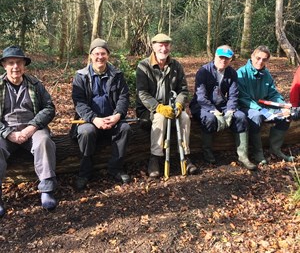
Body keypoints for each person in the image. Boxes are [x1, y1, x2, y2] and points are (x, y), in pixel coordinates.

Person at [0, 45, 57, 217]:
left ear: (24, 65)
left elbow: (49, 108)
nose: (15, 67)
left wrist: (32, 127)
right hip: (5, 131)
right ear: (4, 65)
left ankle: (47, 190)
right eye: (11, 63)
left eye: (19, 62)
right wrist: (8, 133)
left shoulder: (35, 85)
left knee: (44, 142)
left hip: (32, 128)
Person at [71, 38, 131, 190]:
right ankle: (85, 173)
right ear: (90, 56)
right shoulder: (81, 76)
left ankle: (115, 168)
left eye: (103, 53)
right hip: (89, 121)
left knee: (125, 129)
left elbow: (124, 98)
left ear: (108, 55)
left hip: (113, 119)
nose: (100, 57)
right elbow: (79, 103)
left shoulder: (117, 75)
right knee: (86, 132)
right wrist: (94, 119)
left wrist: (117, 115)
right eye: (96, 53)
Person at [136, 33, 197, 178]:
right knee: (160, 119)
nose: (163, 48)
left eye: (166, 45)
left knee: (185, 118)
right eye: (160, 45)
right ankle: (155, 158)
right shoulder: (143, 66)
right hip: (149, 110)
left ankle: (186, 156)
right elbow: (142, 93)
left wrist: (179, 104)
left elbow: (183, 90)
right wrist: (158, 107)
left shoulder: (176, 65)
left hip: (172, 107)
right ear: (153, 46)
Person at [189, 45, 256, 170]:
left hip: (222, 104)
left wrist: (230, 110)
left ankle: (243, 156)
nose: (223, 61)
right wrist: (215, 112)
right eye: (221, 57)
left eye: (227, 58)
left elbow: (233, 95)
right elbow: (201, 97)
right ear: (215, 56)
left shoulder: (232, 73)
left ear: (230, 60)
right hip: (201, 105)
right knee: (209, 119)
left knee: (240, 117)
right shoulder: (203, 71)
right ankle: (207, 153)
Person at [237, 45, 294, 164]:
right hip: (246, 107)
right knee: (256, 116)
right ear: (252, 56)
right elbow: (242, 97)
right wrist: (261, 111)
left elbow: (273, 93)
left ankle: (275, 149)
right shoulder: (241, 73)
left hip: (264, 106)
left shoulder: (266, 74)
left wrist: (282, 104)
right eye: (258, 58)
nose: (260, 61)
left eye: (264, 59)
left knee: (286, 116)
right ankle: (258, 152)